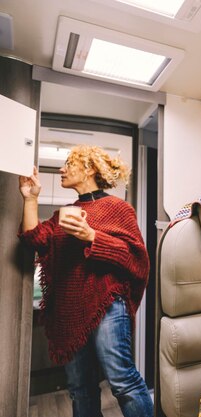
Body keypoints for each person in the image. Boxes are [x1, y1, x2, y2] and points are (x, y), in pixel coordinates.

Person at [18, 145, 153, 417]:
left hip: (107, 305)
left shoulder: (118, 208)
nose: (61, 169)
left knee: (123, 381)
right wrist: (30, 199)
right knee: (80, 387)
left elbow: (137, 258)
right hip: (68, 313)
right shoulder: (65, 213)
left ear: (89, 168)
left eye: (69, 163)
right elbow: (34, 238)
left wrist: (92, 236)